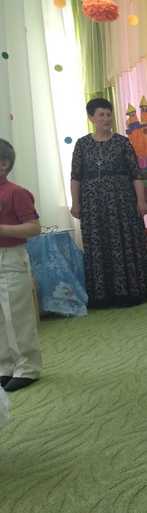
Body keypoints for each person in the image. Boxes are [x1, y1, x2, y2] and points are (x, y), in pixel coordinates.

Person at [70, 98, 147, 308]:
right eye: (101, 114)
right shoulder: (81, 144)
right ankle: (103, 295)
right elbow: (75, 177)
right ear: (91, 117)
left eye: (109, 114)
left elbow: (136, 174)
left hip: (122, 201)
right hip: (92, 203)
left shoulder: (122, 142)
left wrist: (141, 201)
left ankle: (132, 292)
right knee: (98, 243)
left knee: (125, 241)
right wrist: (75, 203)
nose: (106, 118)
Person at [0, 138, 43, 392]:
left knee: (16, 314)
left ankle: (27, 367)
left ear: (4, 164)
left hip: (9, 258)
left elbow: (34, 228)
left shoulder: (15, 192)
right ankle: (5, 366)